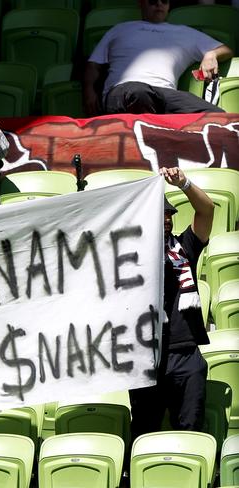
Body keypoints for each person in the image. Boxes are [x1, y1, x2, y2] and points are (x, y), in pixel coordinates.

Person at [129, 166, 215, 439]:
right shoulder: (128, 257)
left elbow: (207, 211)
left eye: (169, 215)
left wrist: (184, 183)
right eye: (160, 215)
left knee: (190, 432)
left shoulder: (184, 247)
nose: (167, 219)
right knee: (144, 433)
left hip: (185, 354)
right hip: (145, 356)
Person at [83, 0, 234, 116]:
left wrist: (211, 54)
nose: (159, 4)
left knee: (216, 117)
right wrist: (90, 91)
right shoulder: (120, 29)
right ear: (141, 2)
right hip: (124, 90)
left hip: (165, 93)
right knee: (140, 94)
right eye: (153, 0)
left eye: (164, 0)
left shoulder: (184, 32)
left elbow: (225, 49)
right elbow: (94, 64)